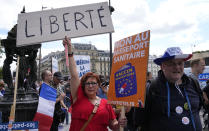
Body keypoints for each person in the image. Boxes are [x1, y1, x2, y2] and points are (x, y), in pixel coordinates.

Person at [63, 36, 127, 131]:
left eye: (93, 83)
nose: (91, 86)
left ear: (98, 86)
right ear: (83, 86)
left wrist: (119, 124)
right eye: (88, 83)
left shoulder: (106, 104)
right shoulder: (78, 98)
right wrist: (70, 51)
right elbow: (74, 76)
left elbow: (113, 124)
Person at [141, 47, 203, 131]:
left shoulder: (192, 83)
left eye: (180, 63)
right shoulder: (151, 88)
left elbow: (197, 107)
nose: (177, 67)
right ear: (163, 66)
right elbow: (140, 119)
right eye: (171, 63)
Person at [189, 57, 206, 129]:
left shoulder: (194, 79)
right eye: (202, 65)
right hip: (195, 113)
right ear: (195, 65)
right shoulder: (190, 80)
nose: (204, 67)